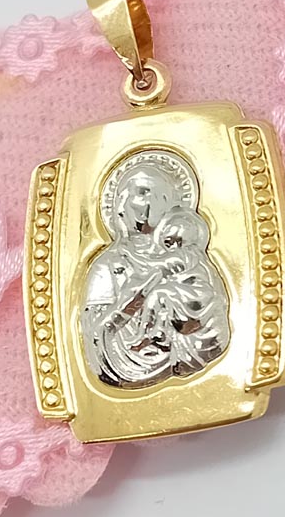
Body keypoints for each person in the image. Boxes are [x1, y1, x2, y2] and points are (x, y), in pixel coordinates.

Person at [82, 152, 231, 389]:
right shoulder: (107, 266)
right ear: (121, 204)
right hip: (128, 369)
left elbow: (214, 318)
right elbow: (95, 339)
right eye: (138, 193)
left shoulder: (190, 254)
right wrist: (127, 305)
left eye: (153, 193)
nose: (146, 202)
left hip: (204, 371)